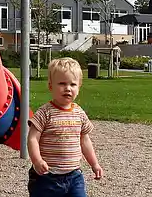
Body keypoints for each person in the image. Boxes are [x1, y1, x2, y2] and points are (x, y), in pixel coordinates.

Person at [26, 57, 103, 196]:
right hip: (46, 177)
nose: (68, 88)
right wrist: (37, 161)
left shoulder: (79, 113)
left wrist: (94, 164)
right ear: (50, 86)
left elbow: (85, 140)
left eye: (73, 84)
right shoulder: (45, 112)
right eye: (62, 83)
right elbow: (32, 138)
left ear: (79, 88)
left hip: (74, 176)